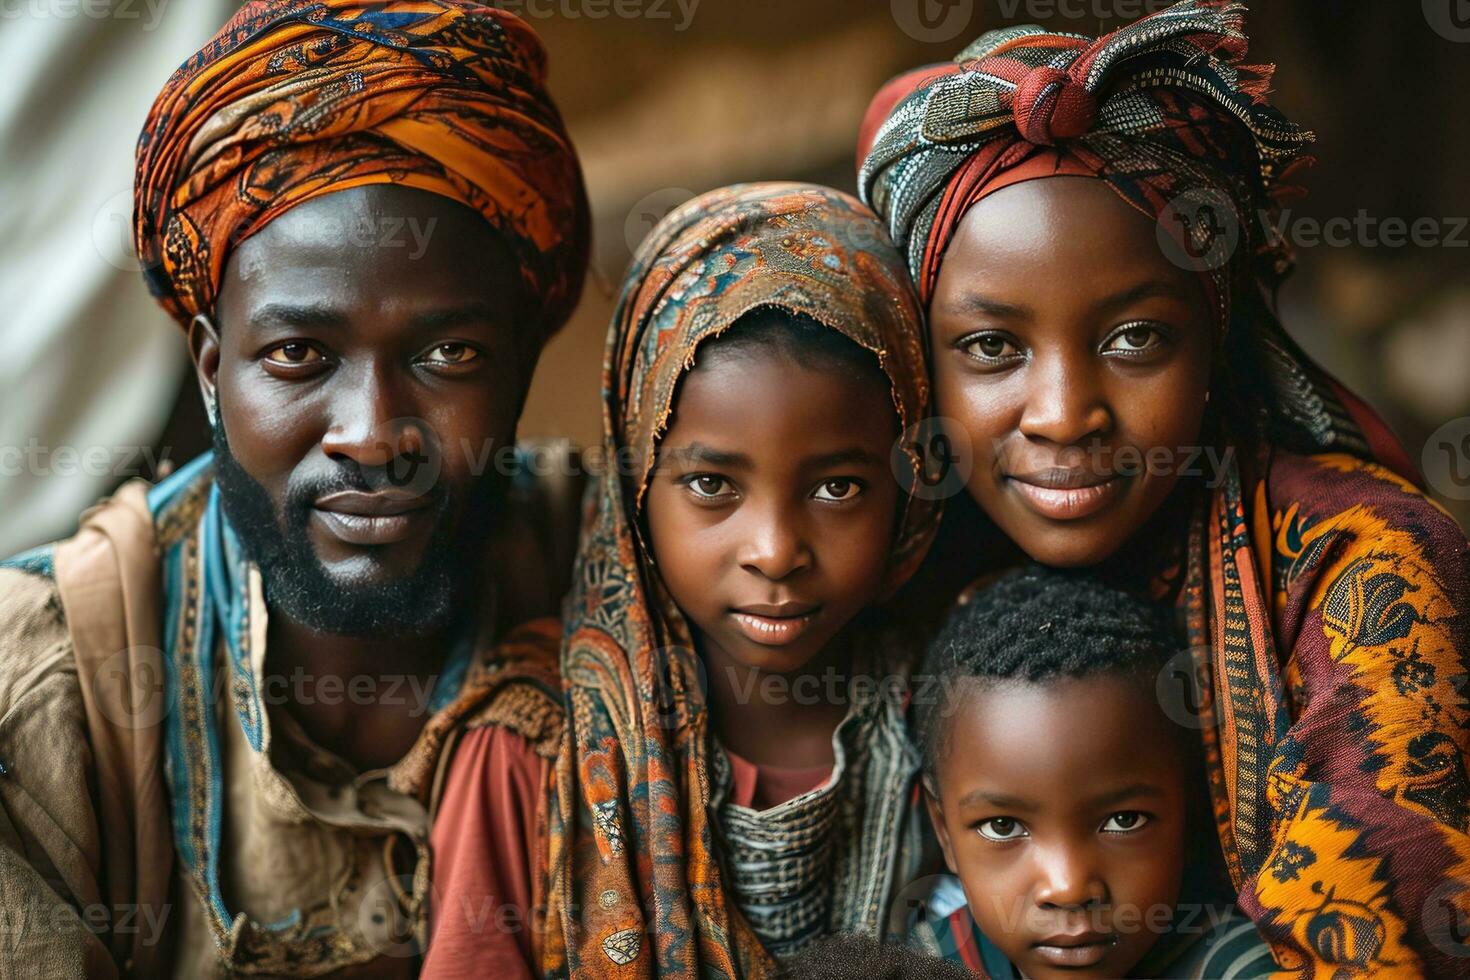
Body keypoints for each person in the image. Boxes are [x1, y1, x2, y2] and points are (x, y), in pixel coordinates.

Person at [857, 1, 1470, 975]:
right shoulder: (907, 555)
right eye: (991, 346)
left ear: (1214, 341)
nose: (1063, 413)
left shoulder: (1357, 565)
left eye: (1134, 338)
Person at [0, 1, 588, 976]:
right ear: (209, 368)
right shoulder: (43, 695)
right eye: (300, 353)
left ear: (521, 360)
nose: (370, 432)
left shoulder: (650, 580)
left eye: (450, 352)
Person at [425, 182, 941, 977]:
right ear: (635, 485)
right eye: (711, 486)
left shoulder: (949, 718)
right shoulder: (529, 748)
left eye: (837, 487)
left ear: (909, 489)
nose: (775, 551)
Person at [912, 566, 1278, 978]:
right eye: (1002, 826)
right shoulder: (916, 964)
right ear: (943, 829)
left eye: (1124, 820)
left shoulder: (1238, 967)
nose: (1068, 888)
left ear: (1189, 806)